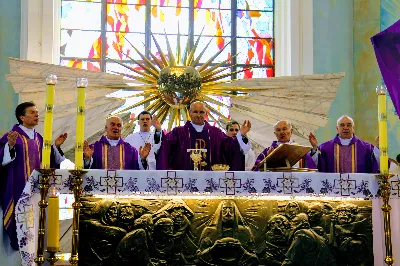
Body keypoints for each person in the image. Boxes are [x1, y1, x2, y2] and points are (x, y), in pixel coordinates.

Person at [0, 102, 67, 250]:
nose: (36, 115)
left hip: (37, 192)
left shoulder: (40, 139)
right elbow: (2, 159)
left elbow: (49, 163)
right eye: (32, 112)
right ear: (22, 117)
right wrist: (9, 147)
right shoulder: (11, 136)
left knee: (37, 229)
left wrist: (56, 147)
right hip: (18, 189)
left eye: (37, 112)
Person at [157, 101, 251, 171]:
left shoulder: (216, 133)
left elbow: (231, 146)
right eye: (195, 112)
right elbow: (165, 145)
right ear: (189, 113)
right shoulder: (178, 132)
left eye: (201, 112)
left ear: (206, 114)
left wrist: (241, 135)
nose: (198, 115)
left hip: (211, 180)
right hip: (184, 179)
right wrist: (158, 131)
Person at [309, 115, 379, 173]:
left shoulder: (366, 148)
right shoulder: (325, 148)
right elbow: (317, 165)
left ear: (353, 128)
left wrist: (378, 148)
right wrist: (315, 147)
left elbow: (376, 165)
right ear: (337, 128)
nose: (345, 128)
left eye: (349, 125)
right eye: (342, 125)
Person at [83, 116, 151, 170]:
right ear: (106, 128)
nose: (116, 127)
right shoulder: (94, 148)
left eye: (119, 125)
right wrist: (87, 159)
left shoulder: (131, 150)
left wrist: (143, 159)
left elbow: (138, 171)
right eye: (112, 124)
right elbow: (86, 172)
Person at [252, 120, 317, 171]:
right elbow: (257, 171)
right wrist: (268, 158)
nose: (282, 132)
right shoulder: (267, 151)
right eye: (278, 130)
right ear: (275, 134)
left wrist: (314, 147)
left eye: (284, 129)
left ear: (291, 131)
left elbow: (312, 167)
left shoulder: (300, 150)